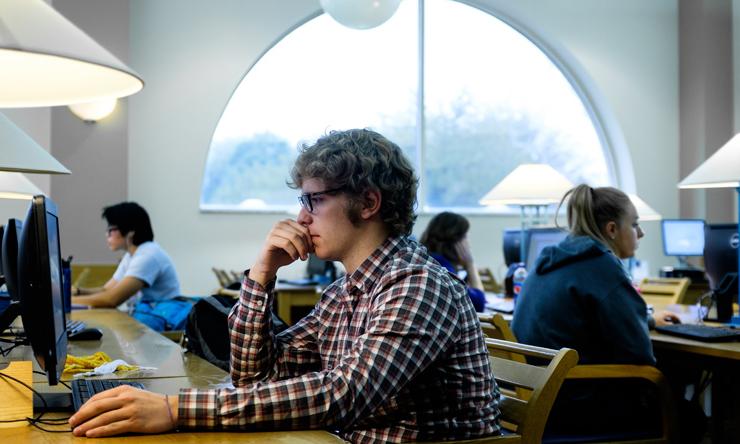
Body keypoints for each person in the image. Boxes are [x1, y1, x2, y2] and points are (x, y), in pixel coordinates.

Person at [69, 129, 501, 442]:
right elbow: (253, 376)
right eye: (302, 201)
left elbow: (341, 395)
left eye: (315, 200)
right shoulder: (345, 291)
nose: (301, 219)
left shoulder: (417, 285)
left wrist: (174, 408)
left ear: (369, 202)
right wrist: (261, 276)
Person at [511, 184, 683, 438]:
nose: (641, 233)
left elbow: (587, 315)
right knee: (689, 413)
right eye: (634, 224)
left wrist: (646, 320)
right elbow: (639, 355)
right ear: (612, 229)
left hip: (540, 402)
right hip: (579, 408)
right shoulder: (602, 266)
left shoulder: (548, 260)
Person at [71, 202, 182, 330]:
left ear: (130, 232)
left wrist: (66, 303)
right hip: (147, 320)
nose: (107, 235)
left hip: (161, 326)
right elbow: (107, 290)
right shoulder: (132, 254)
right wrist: (78, 292)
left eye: (111, 230)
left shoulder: (148, 256)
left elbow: (112, 299)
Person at [420, 211, 486, 312]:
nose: (468, 244)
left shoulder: (427, 260)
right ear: (456, 241)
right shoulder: (444, 270)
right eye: (465, 237)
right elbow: (478, 305)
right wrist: (470, 264)